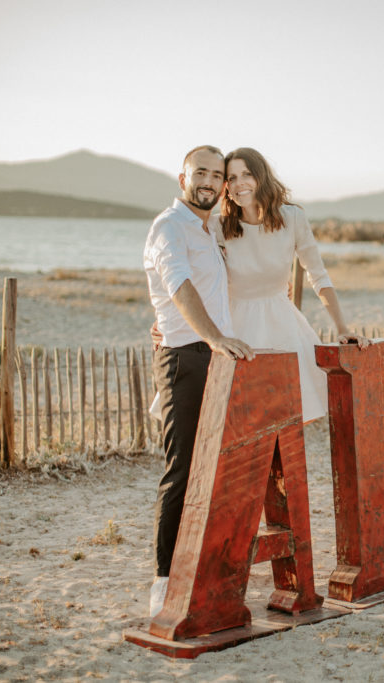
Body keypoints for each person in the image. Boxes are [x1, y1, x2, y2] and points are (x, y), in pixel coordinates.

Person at [143, 145, 254, 618]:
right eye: (201, 173)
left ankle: (209, 572)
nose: (209, 181)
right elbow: (177, 284)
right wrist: (213, 337)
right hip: (187, 359)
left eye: (217, 175)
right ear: (183, 176)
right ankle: (164, 583)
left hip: (217, 356)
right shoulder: (170, 226)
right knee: (183, 471)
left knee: (219, 470)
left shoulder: (211, 229)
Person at [219, 147, 369, 422]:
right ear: (225, 187)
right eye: (231, 178)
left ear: (261, 177)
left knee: (284, 418)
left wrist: (343, 328)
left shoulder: (293, 218)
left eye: (246, 174)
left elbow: (318, 275)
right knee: (240, 421)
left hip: (282, 326)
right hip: (234, 327)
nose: (239, 183)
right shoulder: (219, 227)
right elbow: (196, 277)